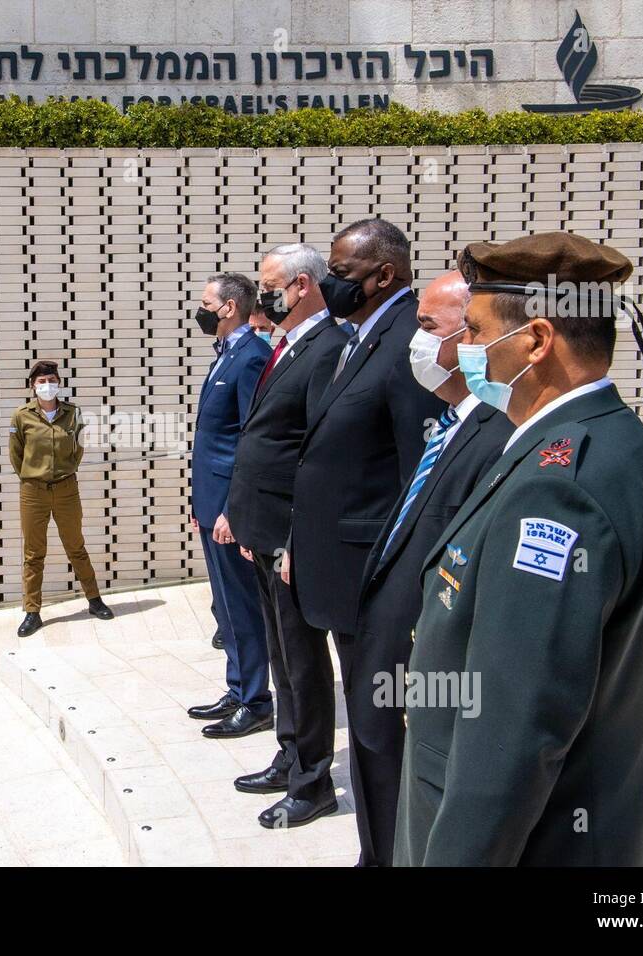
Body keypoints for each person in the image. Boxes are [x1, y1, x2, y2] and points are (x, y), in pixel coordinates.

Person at [394, 232, 643, 866]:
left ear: (537, 341)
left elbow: (515, 728)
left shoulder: (556, 486)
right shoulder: (605, 437)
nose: (462, 350)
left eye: (474, 330)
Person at [277, 218, 446, 829]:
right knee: (369, 723)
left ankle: (391, 849)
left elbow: (417, 474)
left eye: (342, 274)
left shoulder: (407, 343)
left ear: (384, 275)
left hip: (370, 575)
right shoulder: (359, 334)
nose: (332, 284)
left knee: (378, 731)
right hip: (336, 567)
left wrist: (405, 584)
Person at [348, 270, 513, 866]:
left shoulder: (497, 433)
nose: (416, 343)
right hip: (386, 637)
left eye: (428, 327)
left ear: (472, 339)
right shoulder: (449, 421)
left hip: (420, 647)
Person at [223, 243, 349, 828]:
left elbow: (319, 454)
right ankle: (290, 749)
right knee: (280, 651)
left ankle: (313, 779)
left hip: (290, 533)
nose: (264, 294)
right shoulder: (288, 343)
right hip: (262, 526)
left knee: (302, 658)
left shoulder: (327, 348)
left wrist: (298, 534)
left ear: (301, 286)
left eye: (271, 285)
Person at [186, 273, 275, 738]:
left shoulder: (253, 357)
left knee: (241, 604)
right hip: (210, 499)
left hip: (227, 508)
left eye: (206, 303)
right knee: (225, 603)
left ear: (230, 308)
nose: (199, 311)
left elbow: (250, 439)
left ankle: (256, 698)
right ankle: (239, 687)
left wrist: (232, 509)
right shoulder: (227, 354)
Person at [9, 361, 114, 637]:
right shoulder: (21, 416)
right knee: (33, 553)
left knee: (75, 546)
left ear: (59, 383)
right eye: (41, 381)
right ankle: (32, 612)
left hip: (66, 489)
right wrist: (33, 476)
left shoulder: (73, 413)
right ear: (33, 385)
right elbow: (16, 455)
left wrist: (65, 471)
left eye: (51, 380)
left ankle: (94, 600)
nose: (47, 386)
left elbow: (78, 449)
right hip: (33, 492)